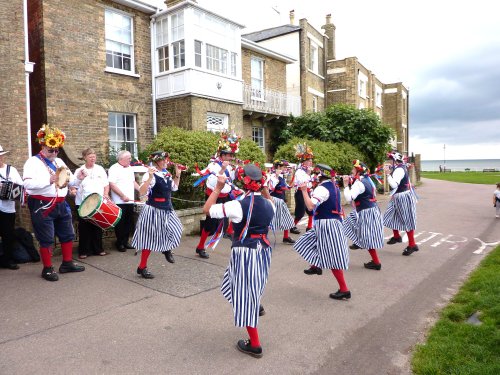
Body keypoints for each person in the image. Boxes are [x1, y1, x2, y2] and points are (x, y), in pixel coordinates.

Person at [203, 164, 275, 358]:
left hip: (245, 252)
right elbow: (266, 200)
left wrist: (217, 188)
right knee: (250, 284)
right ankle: (255, 303)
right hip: (263, 251)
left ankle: (255, 344)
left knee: (244, 294)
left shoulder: (238, 205)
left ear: (246, 182)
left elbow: (207, 210)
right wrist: (263, 188)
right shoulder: (270, 204)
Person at [23, 124, 85, 281]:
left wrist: (78, 178)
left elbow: (69, 180)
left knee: (67, 234)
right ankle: (48, 268)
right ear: (43, 146)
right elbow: (28, 185)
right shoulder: (33, 162)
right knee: (46, 238)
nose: (54, 152)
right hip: (42, 205)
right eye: (51, 149)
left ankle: (67, 263)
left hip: (61, 204)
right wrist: (48, 180)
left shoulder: (59, 162)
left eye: (57, 150)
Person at [293, 164, 351, 300]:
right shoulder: (334, 186)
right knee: (307, 242)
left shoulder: (322, 188)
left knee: (332, 257)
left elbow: (311, 206)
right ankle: (316, 265)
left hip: (327, 224)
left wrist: (304, 191)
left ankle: (344, 289)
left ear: (320, 176)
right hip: (329, 223)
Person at [132, 151, 184, 279]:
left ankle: (166, 248)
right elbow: (142, 192)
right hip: (153, 210)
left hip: (167, 209)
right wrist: (149, 177)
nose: (166, 161)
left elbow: (174, 188)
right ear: (156, 162)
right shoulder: (152, 175)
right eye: (163, 160)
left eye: (166, 159)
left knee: (177, 228)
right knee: (149, 240)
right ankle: (142, 267)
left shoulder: (166, 173)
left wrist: (177, 175)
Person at [195, 132, 240, 259]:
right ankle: (200, 247)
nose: (231, 158)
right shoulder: (213, 165)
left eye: (232, 155)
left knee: (234, 211)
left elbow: (230, 181)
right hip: (213, 197)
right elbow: (215, 182)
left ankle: (230, 232)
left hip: (226, 195)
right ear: (221, 155)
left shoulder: (230, 166)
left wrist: (237, 171)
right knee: (210, 223)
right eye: (228, 155)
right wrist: (222, 170)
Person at [343, 160, 384, 270]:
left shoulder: (359, 183)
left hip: (366, 212)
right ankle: (359, 241)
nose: (352, 170)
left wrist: (346, 185)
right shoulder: (367, 180)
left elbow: (349, 198)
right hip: (371, 210)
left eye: (353, 169)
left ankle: (376, 262)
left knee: (368, 237)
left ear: (358, 171)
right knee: (350, 220)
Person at [74, 148, 109, 259]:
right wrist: (73, 190)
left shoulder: (100, 169)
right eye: (90, 156)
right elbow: (74, 185)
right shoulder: (79, 170)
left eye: (94, 156)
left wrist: (106, 194)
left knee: (97, 226)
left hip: (98, 202)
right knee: (84, 228)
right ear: (84, 157)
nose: (93, 158)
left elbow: (106, 184)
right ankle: (84, 251)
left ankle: (98, 249)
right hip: (82, 203)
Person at [383, 151, 419, 256]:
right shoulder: (401, 167)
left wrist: (388, 174)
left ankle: (412, 245)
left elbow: (394, 185)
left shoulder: (399, 169)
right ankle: (396, 236)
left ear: (395, 160)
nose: (390, 162)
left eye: (391, 159)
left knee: (407, 220)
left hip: (403, 197)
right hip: (398, 196)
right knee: (390, 215)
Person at [108, 150, 140, 252]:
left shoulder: (130, 168)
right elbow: (112, 184)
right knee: (120, 223)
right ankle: (120, 243)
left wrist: (141, 190)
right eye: (129, 158)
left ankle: (126, 242)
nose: (131, 160)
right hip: (119, 201)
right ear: (121, 159)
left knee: (128, 222)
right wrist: (122, 195)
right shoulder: (114, 168)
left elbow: (133, 181)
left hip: (129, 200)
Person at [0, 145, 23, 270]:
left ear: (3, 156)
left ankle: (7, 260)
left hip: (8, 207)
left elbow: (20, 185)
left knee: (8, 234)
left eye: (0, 156)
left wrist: (8, 187)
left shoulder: (11, 170)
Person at [268, 159, 295, 244]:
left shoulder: (281, 177)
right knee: (270, 219)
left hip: (280, 200)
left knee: (286, 218)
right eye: (284, 167)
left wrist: (293, 176)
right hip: (274, 200)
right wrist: (276, 175)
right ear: (278, 167)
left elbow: (288, 187)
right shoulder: (272, 176)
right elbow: (270, 188)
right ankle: (262, 236)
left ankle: (286, 237)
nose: (286, 169)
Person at [291, 143, 315, 234]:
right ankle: (292, 226)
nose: (311, 162)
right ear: (303, 162)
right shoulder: (300, 171)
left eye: (311, 160)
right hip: (300, 193)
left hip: (307, 192)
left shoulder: (307, 170)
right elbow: (303, 183)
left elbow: (310, 183)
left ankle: (309, 227)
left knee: (311, 210)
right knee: (300, 213)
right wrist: (309, 174)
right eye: (309, 161)